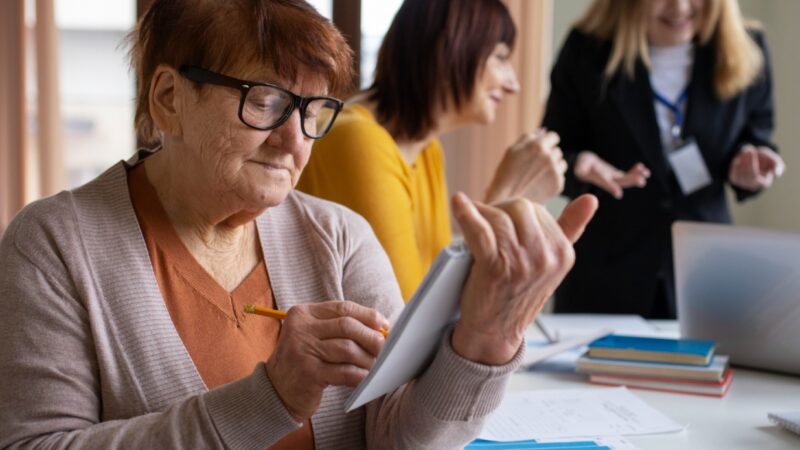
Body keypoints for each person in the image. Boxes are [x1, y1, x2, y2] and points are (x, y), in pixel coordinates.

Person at [0, 0, 597, 448]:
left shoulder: (339, 238)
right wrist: (270, 399)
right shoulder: (53, 245)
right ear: (168, 99)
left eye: (314, 110)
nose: (295, 140)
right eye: (264, 101)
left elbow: (395, 437)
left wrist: (486, 343)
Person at [297, 0, 568, 301]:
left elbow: (435, 291)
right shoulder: (358, 140)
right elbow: (406, 316)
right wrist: (507, 195)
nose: (513, 84)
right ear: (454, 50)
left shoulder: (426, 149)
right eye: (500, 58)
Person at [543, 0, 785, 318]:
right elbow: (555, 146)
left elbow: (755, 137)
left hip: (706, 274)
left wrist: (749, 168)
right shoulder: (587, 50)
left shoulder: (749, 46)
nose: (680, 7)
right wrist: (579, 164)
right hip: (607, 272)